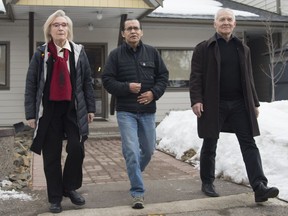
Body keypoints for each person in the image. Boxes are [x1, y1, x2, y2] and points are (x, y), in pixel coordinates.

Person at [189, 8, 279, 203]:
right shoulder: (204, 48)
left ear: (235, 24)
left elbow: (249, 79)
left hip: (240, 104)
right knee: (210, 142)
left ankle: (259, 187)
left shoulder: (243, 48)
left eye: (229, 20)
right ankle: (207, 182)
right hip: (214, 104)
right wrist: (196, 99)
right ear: (215, 24)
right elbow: (196, 77)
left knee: (249, 144)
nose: (226, 23)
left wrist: (254, 103)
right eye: (222, 20)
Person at [24, 10, 95, 213]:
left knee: (76, 149)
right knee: (51, 156)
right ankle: (55, 198)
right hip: (49, 110)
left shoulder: (79, 52)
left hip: (73, 109)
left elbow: (86, 83)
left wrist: (91, 107)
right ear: (49, 29)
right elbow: (31, 84)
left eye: (64, 25)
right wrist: (30, 114)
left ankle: (69, 187)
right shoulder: (41, 53)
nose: (60, 28)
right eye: (56, 25)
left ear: (69, 29)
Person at [102, 19, 168, 209]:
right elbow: (107, 80)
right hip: (126, 112)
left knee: (148, 150)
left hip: (148, 111)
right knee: (131, 150)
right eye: (129, 29)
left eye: (136, 28)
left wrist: (153, 93)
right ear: (123, 33)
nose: (133, 31)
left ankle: (134, 171)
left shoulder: (153, 53)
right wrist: (127, 87)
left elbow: (163, 76)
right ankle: (137, 192)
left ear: (141, 32)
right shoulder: (115, 55)